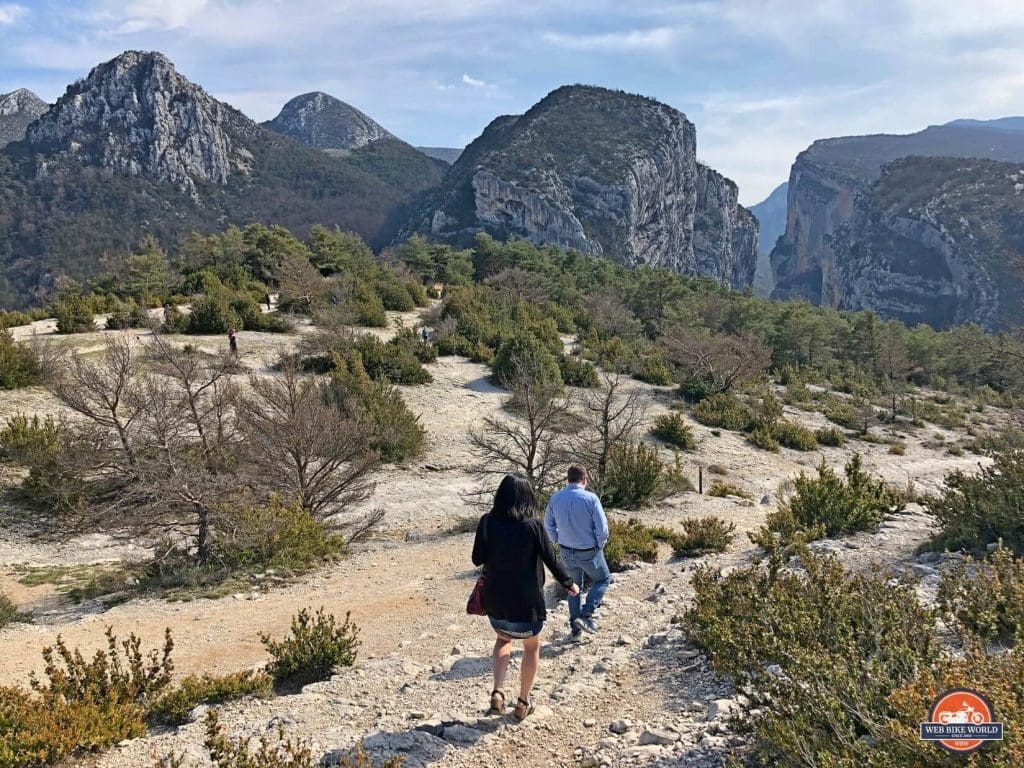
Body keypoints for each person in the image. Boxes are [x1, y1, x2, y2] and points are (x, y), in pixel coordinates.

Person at [472, 474, 580, 720]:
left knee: (503, 641)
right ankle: (522, 702)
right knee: (531, 648)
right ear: (528, 497)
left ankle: (498, 693)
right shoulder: (533, 525)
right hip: (527, 603)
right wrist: (568, 583)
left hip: (496, 602)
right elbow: (551, 559)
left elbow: (477, 559)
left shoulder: (487, 522)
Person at [544, 465, 610, 641]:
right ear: (585, 479)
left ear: (568, 479)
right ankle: (586, 616)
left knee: (573, 588)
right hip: (588, 551)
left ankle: (575, 631)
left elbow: (548, 525)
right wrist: (599, 545)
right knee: (603, 579)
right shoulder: (591, 498)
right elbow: (602, 529)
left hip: (566, 551)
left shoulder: (556, 498)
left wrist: (557, 540)